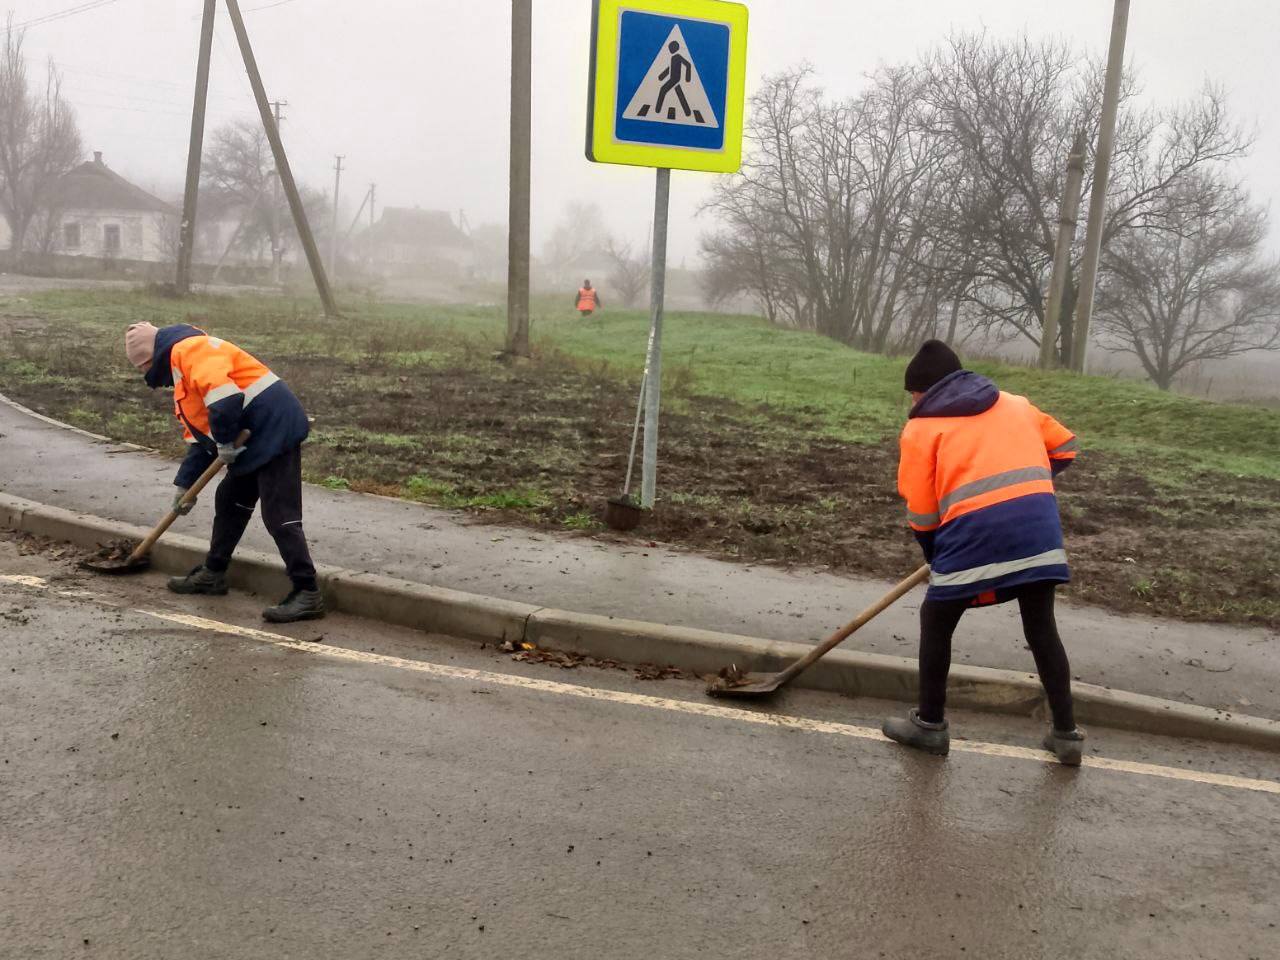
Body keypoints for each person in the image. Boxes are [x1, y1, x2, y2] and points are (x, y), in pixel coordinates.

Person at [883, 340, 1085, 765]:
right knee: (1041, 625)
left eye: (914, 393)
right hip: (1038, 532)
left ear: (926, 390)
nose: (914, 401)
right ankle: (1066, 736)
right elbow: (1064, 448)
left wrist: (934, 552)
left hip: (974, 534)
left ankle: (930, 726)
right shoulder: (1015, 404)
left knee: (936, 618)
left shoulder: (922, 428)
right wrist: (1024, 485)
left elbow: (921, 512)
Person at [124, 321, 324, 623]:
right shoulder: (183, 371)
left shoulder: (191, 350)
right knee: (230, 500)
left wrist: (225, 440)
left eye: (144, 369)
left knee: (279, 515)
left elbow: (225, 399)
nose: (147, 377)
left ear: (152, 359)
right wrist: (185, 486)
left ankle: (308, 592)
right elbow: (200, 437)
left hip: (274, 427)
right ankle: (213, 574)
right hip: (252, 434)